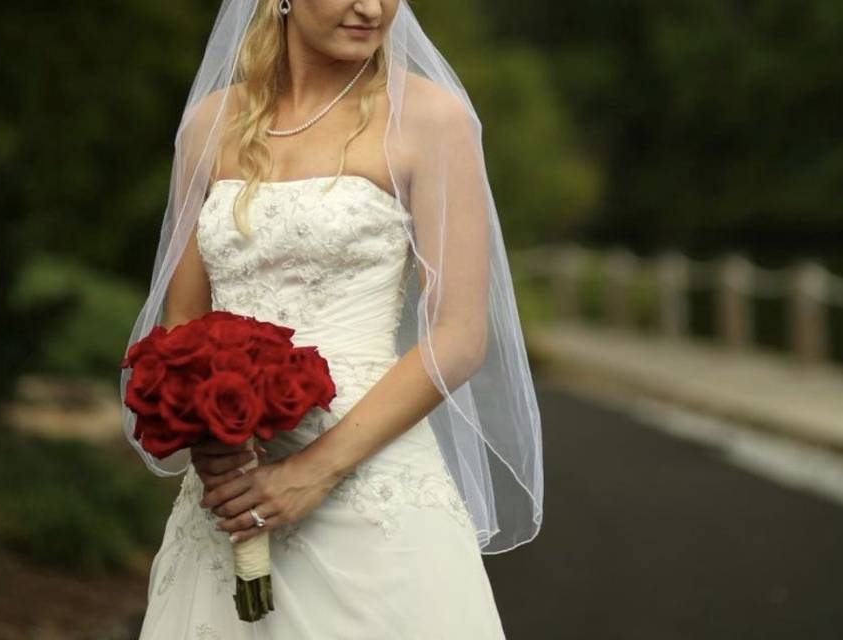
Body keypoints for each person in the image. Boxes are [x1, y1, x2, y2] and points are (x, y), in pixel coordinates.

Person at [126, 1, 544, 637]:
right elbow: (184, 320)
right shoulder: (209, 126)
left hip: (371, 473)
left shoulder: (431, 119)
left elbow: (458, 339)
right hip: (235, 485)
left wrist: (310, 472)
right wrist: (207, 432)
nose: (372, 8)